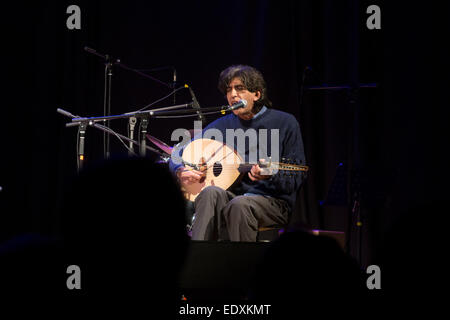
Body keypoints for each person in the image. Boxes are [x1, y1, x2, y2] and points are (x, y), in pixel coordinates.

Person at [170, 65, 306, 241]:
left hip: (273, 202)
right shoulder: (221, 125)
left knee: (239, 205)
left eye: (239, 89)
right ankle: (197, 260)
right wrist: (180, 169)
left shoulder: (285, 122)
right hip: (233, 197)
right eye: (229, 90)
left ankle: (240, 266)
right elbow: (177, 152)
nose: (232, 95)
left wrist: (271, 174)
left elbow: (298, 174)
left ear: (257, 94)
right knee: (210, 192)